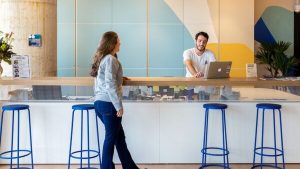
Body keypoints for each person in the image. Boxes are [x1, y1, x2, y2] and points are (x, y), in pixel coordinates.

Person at [90, 31, 139, 169]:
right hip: (109, 105)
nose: (120, 43)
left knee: (119, 138)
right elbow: (110, 84)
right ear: (112, 43)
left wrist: (120, 78)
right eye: (118, 41)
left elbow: (105, 80)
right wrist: (118, 106)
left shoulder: (103, 59)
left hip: (100, 103)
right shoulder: (111, 59)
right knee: (111, 139)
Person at [183, 31, 216, 100]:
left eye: (204, 41)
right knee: (190, 105)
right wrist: (195, 74)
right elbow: (188, 64)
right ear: (196, 41)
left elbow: (214, 67)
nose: (201, 43)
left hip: (204, 86)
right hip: (191, 84)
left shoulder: (210, 53)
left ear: (206, 42)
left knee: (204, 104)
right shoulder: (188, 52)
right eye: (199, 41)